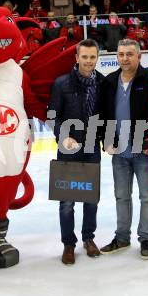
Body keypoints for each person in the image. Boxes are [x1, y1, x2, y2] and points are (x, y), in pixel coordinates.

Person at [48, 39, 105, 265]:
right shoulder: (61, 83)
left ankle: (88, 238)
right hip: (68, 149)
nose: (89, 61)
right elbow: (53, 116)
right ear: (77, 58)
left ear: (97, 58)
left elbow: (106, 115)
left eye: (92, 57)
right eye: (85, 57)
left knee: (91, 199)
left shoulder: (102, 82)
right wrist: (65, 136)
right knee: (67, 201)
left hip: (92, 148)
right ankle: (68, 244)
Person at [99, 38, 148, 259]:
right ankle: (122, 238)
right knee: (121, 196)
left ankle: (146, 238)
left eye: (129, 54)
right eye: (121, 54)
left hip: (143, 152)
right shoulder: (110, 81)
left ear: (139, 56)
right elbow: (103, 115)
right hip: (119, 153)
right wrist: (106, 139)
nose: (125, 58)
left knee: (147, 197)